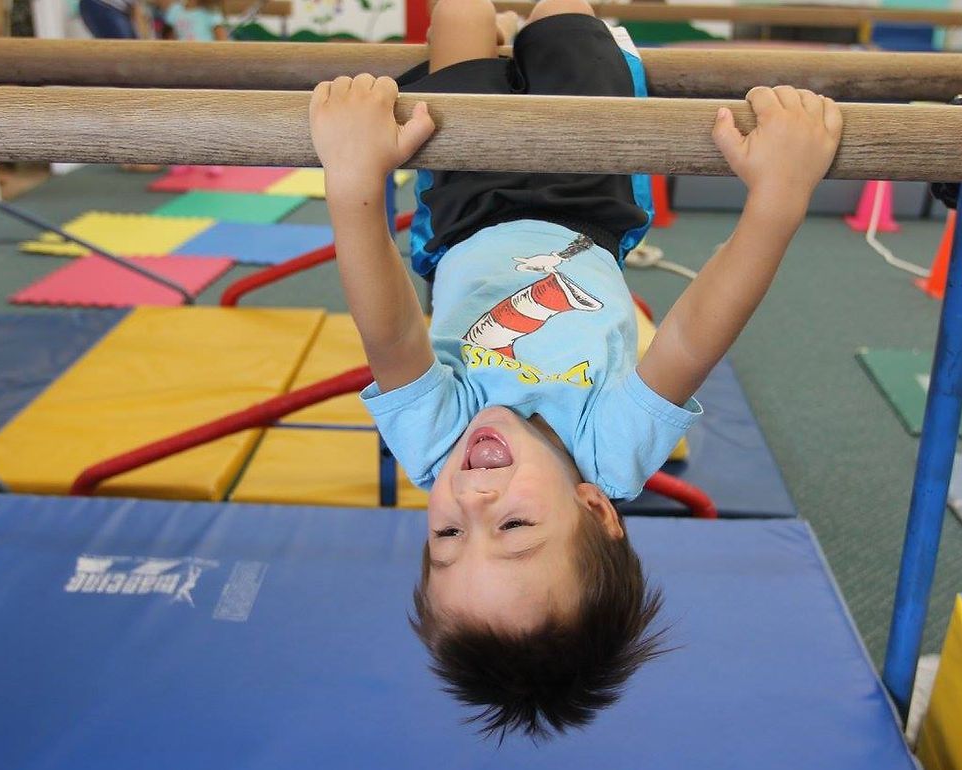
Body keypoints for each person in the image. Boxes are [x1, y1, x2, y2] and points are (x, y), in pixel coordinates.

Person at [309, 0, 843, 740]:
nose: (473, 497)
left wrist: (351, 178)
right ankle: (530, 31)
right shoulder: (609, 452)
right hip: (584, 207)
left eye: (447, 539)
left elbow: (392, 329)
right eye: (514, 524)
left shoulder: (433, 447)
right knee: (565, 25)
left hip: (463, 210)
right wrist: (779, 196)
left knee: (457, 20)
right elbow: (690, 335)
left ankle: (483, 37)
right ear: (594, 510)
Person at [162, 0, 230, 41]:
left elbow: (222, 40)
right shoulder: (174, 10)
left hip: (206, 58)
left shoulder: (211, 12)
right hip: (182, 58)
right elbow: (169, 39)